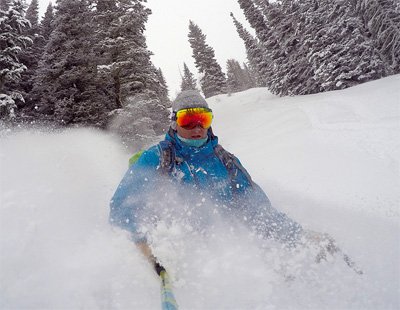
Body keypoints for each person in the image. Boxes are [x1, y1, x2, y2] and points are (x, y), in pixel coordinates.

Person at [110, 90, 340, 276]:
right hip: (180, 251)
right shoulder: (157, 158)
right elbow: (122, 206)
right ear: (174, 123)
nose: (197, 128)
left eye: (203, 120)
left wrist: (297, 237)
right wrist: (144, 245)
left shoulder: (226, 161)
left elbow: (257, 208)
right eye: (188, 120)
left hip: (227, 248)